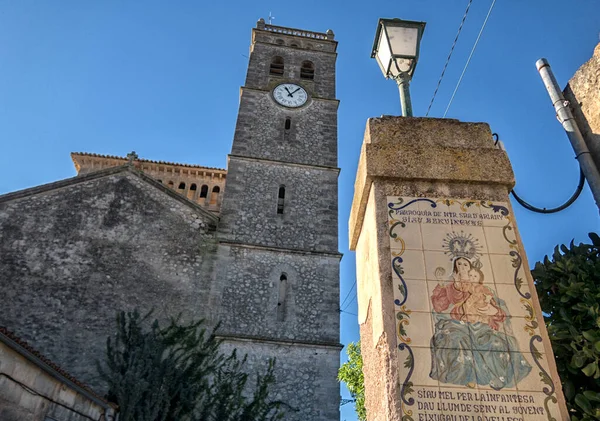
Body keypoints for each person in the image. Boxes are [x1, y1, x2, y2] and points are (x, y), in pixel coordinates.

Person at [429, 257, 531, 390]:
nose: (463, 267)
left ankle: (496, 377)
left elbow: (496, 310)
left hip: (481, 325)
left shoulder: (483, 290)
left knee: (497, 343)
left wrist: (493, 310)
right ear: (455, 268)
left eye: (466, 264)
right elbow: (439, 307)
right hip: (457, 324)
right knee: (454, 341)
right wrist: (442, 284)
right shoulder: (450, 288)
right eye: (459, 264)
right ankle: (468, 378)